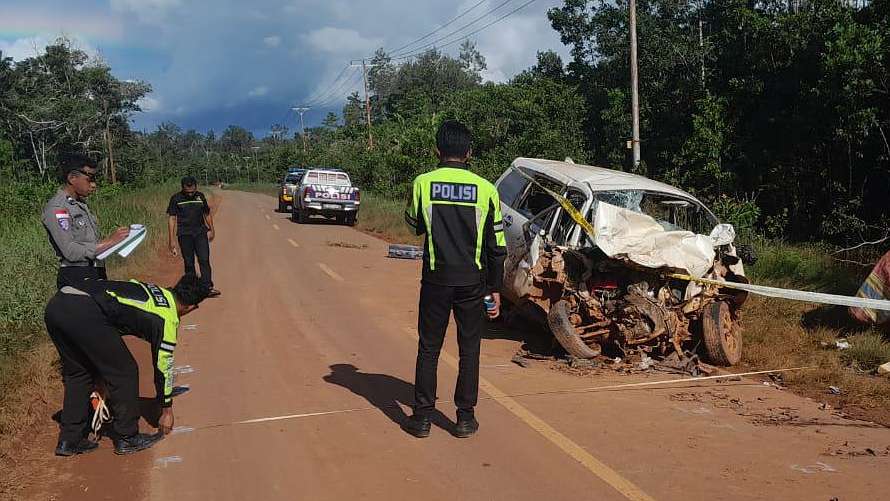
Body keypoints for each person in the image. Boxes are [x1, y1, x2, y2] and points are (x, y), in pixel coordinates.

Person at [402, 120, 507, 439]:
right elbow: (497, 246)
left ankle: (421, 419)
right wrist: (495, 289)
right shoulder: (487, 189)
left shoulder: (423, 183)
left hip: (435, 279)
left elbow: (413, 224)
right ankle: (464, 418)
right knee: (469, 349)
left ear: (438, 150)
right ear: (469, 152)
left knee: (429, 348)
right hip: (473, 283)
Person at [44, 274, 210, 456]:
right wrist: (167, 409)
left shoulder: (154, 290)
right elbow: (164, 367)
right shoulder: (167, 318)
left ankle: (69, 440)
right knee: (125, 371)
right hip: (84, 311)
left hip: (58, 305)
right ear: (191, 307)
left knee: (79, 372)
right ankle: (127, 437)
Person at [42, 153, 130, 289]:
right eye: (90, 179)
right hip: (77, 276)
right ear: (72, 178)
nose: (94, 185)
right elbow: (70, 251)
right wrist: (110, 241)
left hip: (96, 271)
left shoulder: (81, 204)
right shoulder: (58, 208)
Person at [167, 177, 220, 297]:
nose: (191, 193)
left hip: (200, 232)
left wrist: (212, 229)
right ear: (183, 188)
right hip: (184, 234)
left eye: (193, 190)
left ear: (196, 187)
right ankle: (192, 289)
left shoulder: (200, 197)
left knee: (204, 259)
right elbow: (172, 218)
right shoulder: (176, 199)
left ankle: (207, 287)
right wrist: (171, 240)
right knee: (189, 262)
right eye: (188, 191)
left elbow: (206, 213)